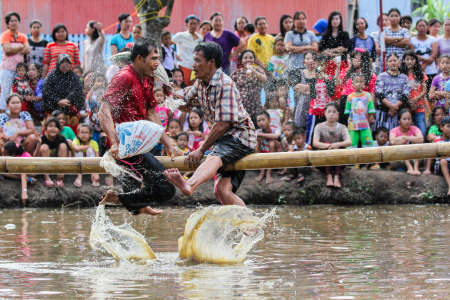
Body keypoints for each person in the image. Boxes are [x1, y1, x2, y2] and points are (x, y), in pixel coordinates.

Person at [164, 41, 256, 206]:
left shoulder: (225, 84)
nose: (193, 65)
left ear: (211, 63)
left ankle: (189, 184)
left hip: (239, 137)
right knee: (221, 190)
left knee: (213, 156)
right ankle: (251, 228)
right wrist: (172, 96)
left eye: (197, 61)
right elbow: (186, 104)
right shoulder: (200, 82)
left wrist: (200, 150)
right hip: (224, 139)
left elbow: (223, 124)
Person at [98, 37, 178, 216]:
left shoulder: (148, 78)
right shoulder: (124, 77)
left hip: (138, 144)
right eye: (153, 58)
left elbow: (151, 113)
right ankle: (118, 199)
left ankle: (137, 205)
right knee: (167, 190)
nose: (158, 63)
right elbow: (103, 112)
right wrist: (115, 142)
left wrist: (169, 144)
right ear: (139, 59)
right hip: (125, 147)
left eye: (158, 58)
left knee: (138, 200)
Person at [295, 53, 336, 145]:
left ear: (326, 66)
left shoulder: (330, 78)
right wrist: (314, 78)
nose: (320, 67)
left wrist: (326, 79)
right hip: (315, 112)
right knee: (311, 134)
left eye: (322, 65)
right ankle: (309, 148)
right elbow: (313, 94)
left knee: (327, 135)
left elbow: (331, 92)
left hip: (327, 113)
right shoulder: (313, 79)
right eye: (318, 65)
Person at [42, 54, 84, 135]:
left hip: (69, 107)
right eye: (63, 62)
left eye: (67, 62)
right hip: (53, 108)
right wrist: (58, 101)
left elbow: (78, 91)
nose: (65, 64)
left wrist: (68, 100)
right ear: (58, 63)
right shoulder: (51, 76)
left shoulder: (74, 77)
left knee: (73, 115)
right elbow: (47, 91)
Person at [313, 102, 351, 188]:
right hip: (323, 162)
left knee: (341, 148)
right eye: (329, 111)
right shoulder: (319, 126)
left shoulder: (342, 127)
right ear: (325, 113)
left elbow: (349, 142)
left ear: (338, 114)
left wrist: (337, 145)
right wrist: (328, 146)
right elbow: (315, 143)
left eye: (334, 112)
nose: (331, 114)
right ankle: (328, 175)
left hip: (339, 162)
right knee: (326, 145)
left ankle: (337, 176)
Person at [0, 12, 30, 112]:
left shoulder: (22, 36)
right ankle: (2, 116)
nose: (14, 23)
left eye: (16, 21)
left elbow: (27, 49)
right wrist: (21, 46)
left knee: (20, 92)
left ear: (19, 23)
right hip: (7, 69)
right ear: (8, 23)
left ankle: (18, 115)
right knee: (4, 92)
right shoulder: (5, 35)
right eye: (11, 21)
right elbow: (7, 50)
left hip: (19, 70)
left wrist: (14, 48)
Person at [374, 53, 410, 132]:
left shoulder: (404, 78)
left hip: (398, 111)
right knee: (381, 136)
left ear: (399, 62)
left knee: (396, 135)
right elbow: (379, 93)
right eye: (390, 61)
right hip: (383, 110)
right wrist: (390, 106)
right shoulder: (381, 76)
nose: (393, 63)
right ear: (386, 63)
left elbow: (405, 95)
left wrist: (395, 107)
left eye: (395, 60)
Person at [339, 49, 376, 125]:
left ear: (363, 59)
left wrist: (371, 112)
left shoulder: (371, 75)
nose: (353, 60)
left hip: (360, 102)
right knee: (344, 126)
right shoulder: (346, 71)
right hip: (345, 101)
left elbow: (372, 94)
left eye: (356, 58)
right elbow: (338, 83)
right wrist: (337, 68)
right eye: (352, 58)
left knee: (359, 127)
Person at [230, 49, 267, 124]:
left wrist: (252, 70)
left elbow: (264, 79)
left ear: (254, 59)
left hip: (255, 105)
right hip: (241, 106)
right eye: (245, 58)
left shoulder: (258, 70)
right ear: (241, 60)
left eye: (251, 57)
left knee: (255, 127)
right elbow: (228, 87)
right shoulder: (236, 73)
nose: (248, 60)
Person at [399, 50, 428, 137]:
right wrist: (409, 102)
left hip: (419, 107)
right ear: (404, 61)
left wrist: (415, 100)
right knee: (406, 132)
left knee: (422, 132)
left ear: (416, 60)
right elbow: (399, 90)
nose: (410, 61)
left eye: (412, 59)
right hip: (405, 108)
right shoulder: (401, 75)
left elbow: (424, 90)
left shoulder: (421, 74)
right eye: (407, 59)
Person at [34, 117, 69, 187]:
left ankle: (60, 177)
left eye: (55, 127)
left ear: (59, 129)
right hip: (44, 165)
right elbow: (35, 157)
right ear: (46, 128)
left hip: (58, 164)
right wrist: (39, 143)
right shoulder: (42, 139)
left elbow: (69, 153)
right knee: (44, 147)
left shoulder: (61, 138)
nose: (53, 128)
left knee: (63, 146)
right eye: (50, 126)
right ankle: (46, 177)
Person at [344, 73, 376, 149]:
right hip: (353, 126)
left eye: (361, 81)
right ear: (353, 84)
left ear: (364, 83)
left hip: (365, 125)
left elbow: (371, 112)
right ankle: (351, 160)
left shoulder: (367, 95)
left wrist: (367, 122)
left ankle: (369, 160)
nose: (359, 83)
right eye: (356, 81)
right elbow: (348, 113)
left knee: (368, 144)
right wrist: (352, 122)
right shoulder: (350, 97)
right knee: (351, 145)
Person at [411, 19, 438, 105]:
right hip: (417, 72)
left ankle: (432, 115)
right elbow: (412, 55)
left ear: (428, 27)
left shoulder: (432, 39)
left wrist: (423, 62)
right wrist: (425, 61)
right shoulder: (412, 40)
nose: (422, 28)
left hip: (431, 71)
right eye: (420, 26)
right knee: (419, 93)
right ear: (416, 28)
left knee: (431, 96)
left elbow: (433, 56)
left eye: (424, 26)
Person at [389, 108, 424, 175]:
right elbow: (392, 141)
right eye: (404, 119)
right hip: (398, 160)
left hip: (414, 159)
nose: (407, 121)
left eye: (409, 119)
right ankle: (410, 168)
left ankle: (416, 168)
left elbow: (421, 139)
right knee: (400, 145)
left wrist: (404, 137)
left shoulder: (415, 129)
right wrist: (411, 138)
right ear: (399, 120)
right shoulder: (394, 130)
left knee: (416, 143)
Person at [319, 11, 350, 84]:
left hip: (342, 62)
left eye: (337, 19)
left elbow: (345, 48)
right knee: (330, 83)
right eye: (333, 19)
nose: (335, 21)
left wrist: (329, 51)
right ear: (330, 21)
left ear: (340, 20)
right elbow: (322, 51)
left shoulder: (345, 34)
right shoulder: (325, 35)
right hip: (329, 63)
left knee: (341, 82)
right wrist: (337, 52)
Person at [172, 15, 203, 85]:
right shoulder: (181, 35)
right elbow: (167, 43)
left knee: (194, 89)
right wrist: (174, 53)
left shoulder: (200, 38)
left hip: (196, 68)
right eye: (191, 23)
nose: (193, 26)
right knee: (183, 87)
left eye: (195, 24)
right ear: (186, 24)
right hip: (184, 66)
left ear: (198, 24)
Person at [255, 110, 280, 184]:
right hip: (262, 156)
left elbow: (276, 136)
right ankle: (262, 170)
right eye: (259, 121)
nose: (261, 122)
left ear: (269, 120)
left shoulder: (275, 130)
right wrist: (270, 137)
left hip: (273, 158)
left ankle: (269, 172)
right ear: (257, 123)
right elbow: (255, 137)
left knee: (272, 143)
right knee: (256, 142)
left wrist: (260, 136)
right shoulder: (258, 131)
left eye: (263, 120)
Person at [423, 106, 447, 174]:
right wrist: (443, 137)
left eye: (442, 114)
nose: (440, 116)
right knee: (432, 144)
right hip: (437, 151)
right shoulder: (433, 127)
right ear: (433, 117)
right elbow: (430, 137)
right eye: (437, 115)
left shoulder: (448, 125)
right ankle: (428, 168)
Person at [85, 73, 107, 144]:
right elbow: (89, 99)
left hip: (104, 127)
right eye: (98, 81)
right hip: (94, 126)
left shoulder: (107, 92)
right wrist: (93, 88)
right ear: (94, 82)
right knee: (94, 144)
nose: (100, 83)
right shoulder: (92, 93)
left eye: (102, 81)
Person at [434, 116, 450, 195]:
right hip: (441, 166)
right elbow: (435, 157)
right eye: (448, 126)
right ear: (441, 127)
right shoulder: (437, 140)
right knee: (443, 161)